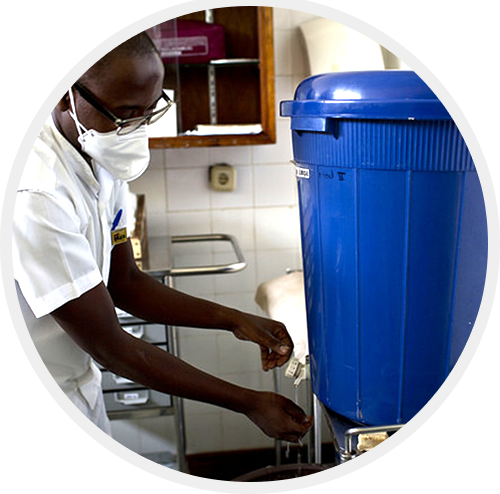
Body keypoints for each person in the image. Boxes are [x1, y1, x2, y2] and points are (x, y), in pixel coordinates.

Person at [12, 31, 313, 442]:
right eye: (125, 113)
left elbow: (125, 283)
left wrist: (235, 320)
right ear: (66, 96)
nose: (136, 129)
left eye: (150, 111)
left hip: (78, 383)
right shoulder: (37, 194)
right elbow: (110, 346)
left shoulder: (100, 159)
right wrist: (248, 401)